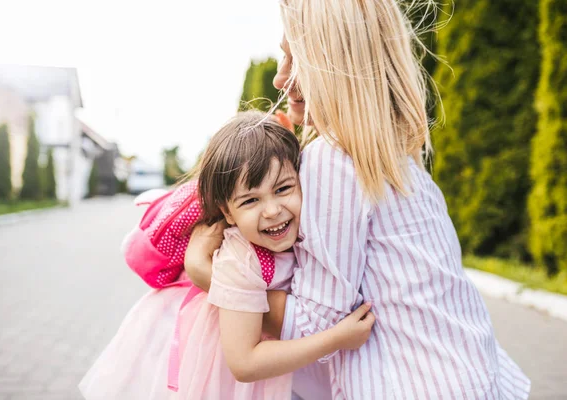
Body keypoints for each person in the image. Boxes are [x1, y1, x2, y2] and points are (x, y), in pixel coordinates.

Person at [185, 1, 531, 398]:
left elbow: (316, 323)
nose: (280, 79)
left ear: (332, 65)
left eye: (293, 58)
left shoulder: (332, 160)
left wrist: (206, 274)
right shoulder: (394, 154)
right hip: (468, 375)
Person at [78, 111, 375, 400]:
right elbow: (245, 363)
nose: (272, 210)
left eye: (283, 188)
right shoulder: (241, 257)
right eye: (250, 200)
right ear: (227, 213)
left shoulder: (308, 230)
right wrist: (336, 339)